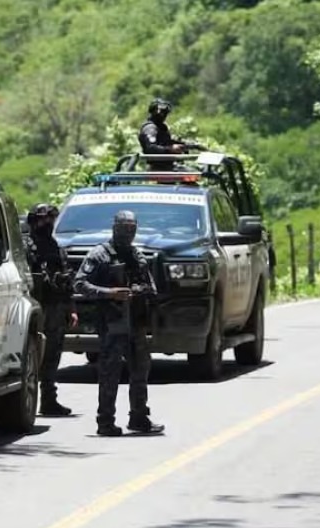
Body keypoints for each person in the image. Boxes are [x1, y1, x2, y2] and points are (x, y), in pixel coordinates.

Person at [73, 210, 164, 436]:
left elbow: (151, 288)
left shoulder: (136, 255)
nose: (128, 233)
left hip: (136, 322)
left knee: (140, 370)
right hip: (113, 323)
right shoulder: (99, 254)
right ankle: (105, 421)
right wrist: (109, 293)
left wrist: (142, 292)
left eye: (132, 229)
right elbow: (80, 284)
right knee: (110, 373)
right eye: (124, 228)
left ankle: (139, 417)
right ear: (114, 228)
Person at [23, 203, 78, 417]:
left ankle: (48, 399)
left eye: (51, 219)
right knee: (31, 354)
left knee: (52, 354)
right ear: (33, 221)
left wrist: (71, 308)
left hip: (55, 307)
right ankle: (25, 402)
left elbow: (66, 278)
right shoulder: (25, 248)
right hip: (34, 308)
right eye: (44, 219)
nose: (48, 223)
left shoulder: (55, 247)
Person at [138, 98, 187, 171]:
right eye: (162, 112)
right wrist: (170, 149)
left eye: (166, 112)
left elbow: (166, 142)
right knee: (191, 173)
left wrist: (187, 145)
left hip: (168, 165)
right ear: (154, 112)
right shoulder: (150, 128)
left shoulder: (162, 127)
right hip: (158, 168)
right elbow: (151, 148)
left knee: (194, 171)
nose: (164, 115)